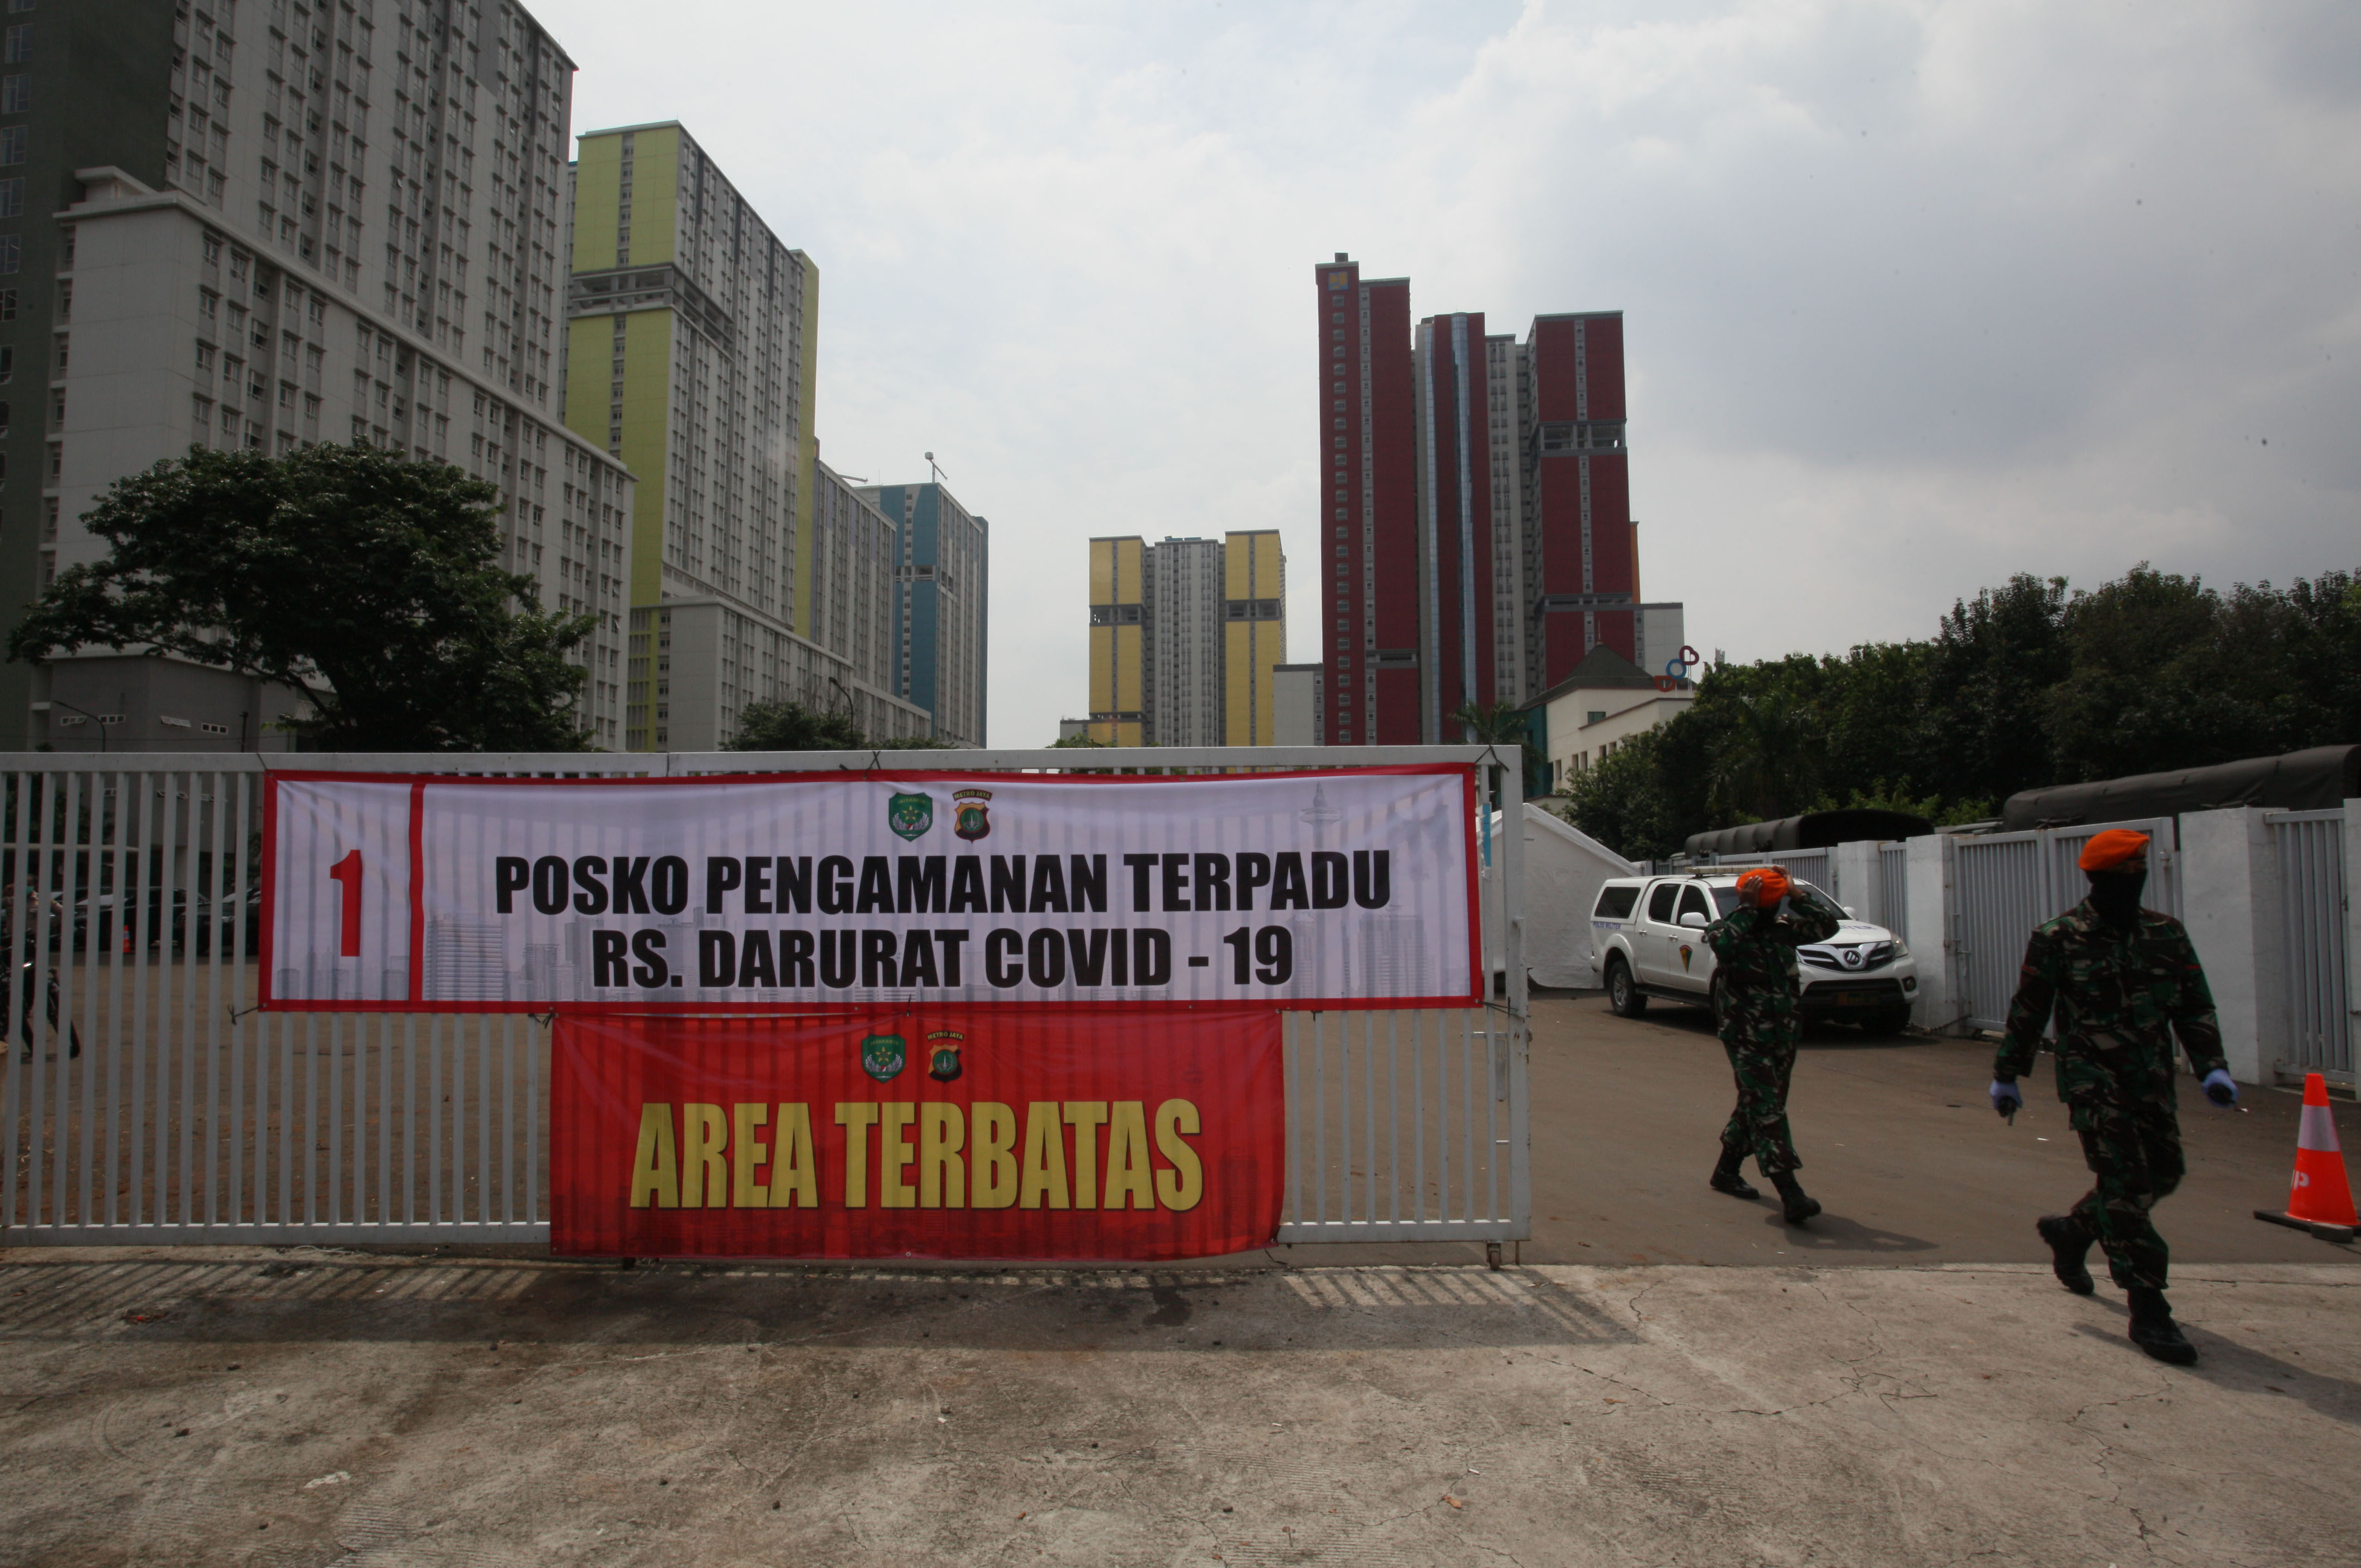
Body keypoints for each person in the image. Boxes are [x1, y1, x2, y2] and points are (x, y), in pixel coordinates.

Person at [1990, 828, 2236, 1366]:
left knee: (2164, 1173)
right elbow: (2029, 1009)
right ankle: (2149, 1306)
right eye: (2124, 871)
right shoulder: (2060, 937)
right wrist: (2008, 1074)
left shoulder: (2165, 934)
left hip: (2151, 1079)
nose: (2133, 878)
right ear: (2098, 877)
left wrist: (2211, 1066)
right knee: (2127, 1187)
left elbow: (2194, 1005)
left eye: (2139, 869)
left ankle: (2074, 1231)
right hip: (2093, 1081)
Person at [1703, 866, 1841, 1223]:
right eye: (1772, 901)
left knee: (1760, 1104)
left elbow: (1828, 926)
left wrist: (1796, 894)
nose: (1773, 907)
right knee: (1767, 1109)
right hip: (1746, 1037)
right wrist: (1747, 909)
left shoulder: (1784, 931)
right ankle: (1790, 1192)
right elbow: (1724, 946)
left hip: (1783, 1034)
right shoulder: (1726, 929)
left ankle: (1726, 1170)